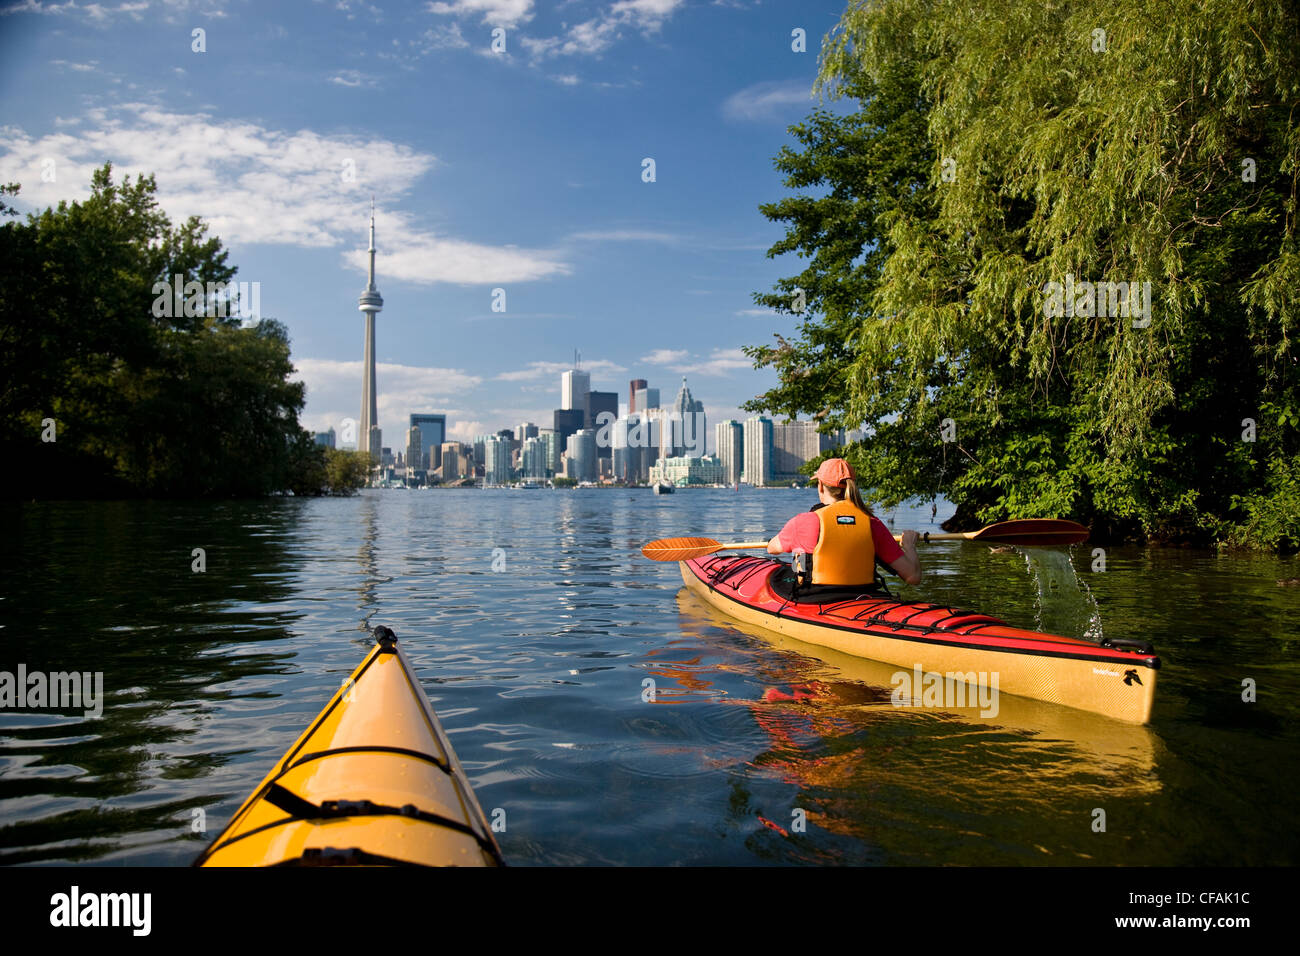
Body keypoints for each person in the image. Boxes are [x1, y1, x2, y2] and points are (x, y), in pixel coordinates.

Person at [766, 458, 922, 588]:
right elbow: (913, 577)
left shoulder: (804, 521)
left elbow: (772, 548)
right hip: (862, 597)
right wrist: (909, 546)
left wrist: (797, 544)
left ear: (820, 486)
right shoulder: (872, 523)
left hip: (812, 598)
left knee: (797, 557)